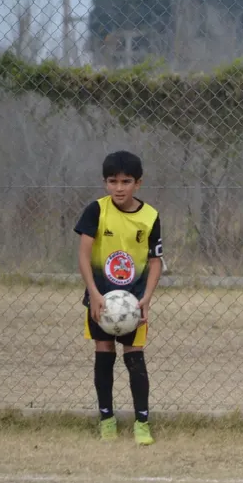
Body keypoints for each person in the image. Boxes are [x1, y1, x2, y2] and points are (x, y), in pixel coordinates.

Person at [74, 150, 164, 445]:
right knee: (103, 354)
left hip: (133, 302)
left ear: (138, 183)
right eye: (112, 181)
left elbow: (155, 261)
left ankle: (142, 422)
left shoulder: (150, 216)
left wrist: (147, 298)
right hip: (101, 299)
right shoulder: (96, 211)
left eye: (126, 181)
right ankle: (106, 419)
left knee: (135, 358)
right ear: (105, 182)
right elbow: (84, 256)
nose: (119, 188)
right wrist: (95, 294)